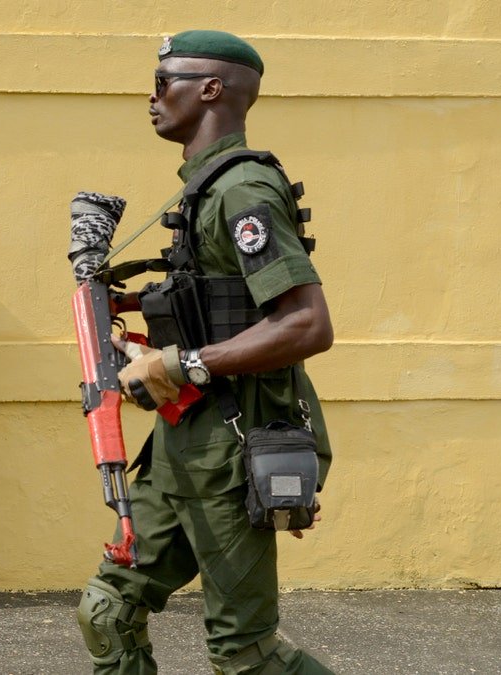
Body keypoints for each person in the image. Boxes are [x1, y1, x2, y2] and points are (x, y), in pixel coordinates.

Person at [75, 31, 336, 674]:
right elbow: (215, 300)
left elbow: (306, 323)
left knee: (245, 656)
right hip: (178, 444)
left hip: (234, 445)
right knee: (107, 613)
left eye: (164, 82)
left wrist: (182, 364)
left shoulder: (243, 191)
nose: (152, 98)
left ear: (211, 89)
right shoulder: (201, 191)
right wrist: (134, 316)